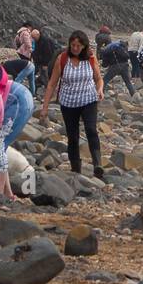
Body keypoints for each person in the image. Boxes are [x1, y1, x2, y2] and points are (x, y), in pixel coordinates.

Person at [39, 31, 105, 178]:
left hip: (88, 99)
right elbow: (51, 84)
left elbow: (99, 79)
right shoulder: (62, 59)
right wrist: (45, 108)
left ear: (84, 46)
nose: (75, 48)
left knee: (91, 130)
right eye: (73, 45)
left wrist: (100, 89)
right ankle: (76, 169)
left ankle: (98, 165)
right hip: (68, 103)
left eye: (78, 45)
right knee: (72, 136)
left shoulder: (90, 58)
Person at [32, 28, 57, 93]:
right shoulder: (38, 41)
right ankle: (47, 90)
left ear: (38, 35)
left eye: (34, 37)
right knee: (43, 77)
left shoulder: (45, 41)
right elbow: (37, 51)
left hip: (46, 63)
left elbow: (48, 53)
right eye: (33, 38)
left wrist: (45, 64)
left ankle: (49, 91)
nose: (33, 39)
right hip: (40, 62)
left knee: (46, 77)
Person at [13, 24, 36, 94]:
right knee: (28, 67)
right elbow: (27, 41)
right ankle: (20, 85)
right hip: (25, 51)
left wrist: (17, 48)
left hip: (21, 51)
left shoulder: (20, 32)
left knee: (26, 67)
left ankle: (28, 85)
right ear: (28, 26)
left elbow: (15, 41)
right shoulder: (25, 32)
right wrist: (30, 48)